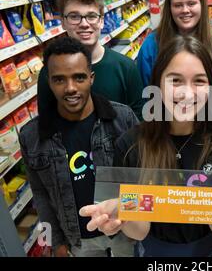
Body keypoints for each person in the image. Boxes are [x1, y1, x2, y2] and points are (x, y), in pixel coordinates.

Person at [80, 35, 212, 257]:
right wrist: (120, 215)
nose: (187, 93)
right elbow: (139, 231)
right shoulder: (131, 145)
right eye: (175, 80)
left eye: (199, 81)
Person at [19, 37, 139, 257]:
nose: (70, 88)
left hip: (124, 230)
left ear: (91, 78)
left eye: (79, 77)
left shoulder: (123, 119)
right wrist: (55, 243)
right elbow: (41, 195)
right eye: (59, 80)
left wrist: (134, 223)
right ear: (48, 81)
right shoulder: (32, 136)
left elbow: (140, 177)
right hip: (79, 240)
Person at [37, 0, 144, 120]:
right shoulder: (50, 72)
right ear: (63, 22)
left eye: (92, 16)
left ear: (101, 21)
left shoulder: (126, 68)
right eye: (74, 16)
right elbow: (46, 123)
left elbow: (139, 122)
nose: (84, 24)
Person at [137, 0, 212, 87]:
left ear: (202, 5)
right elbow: (145, 90)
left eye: (191, 4)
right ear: (169, 9)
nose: (185, 10)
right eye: (178, 5)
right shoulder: (152, 44)